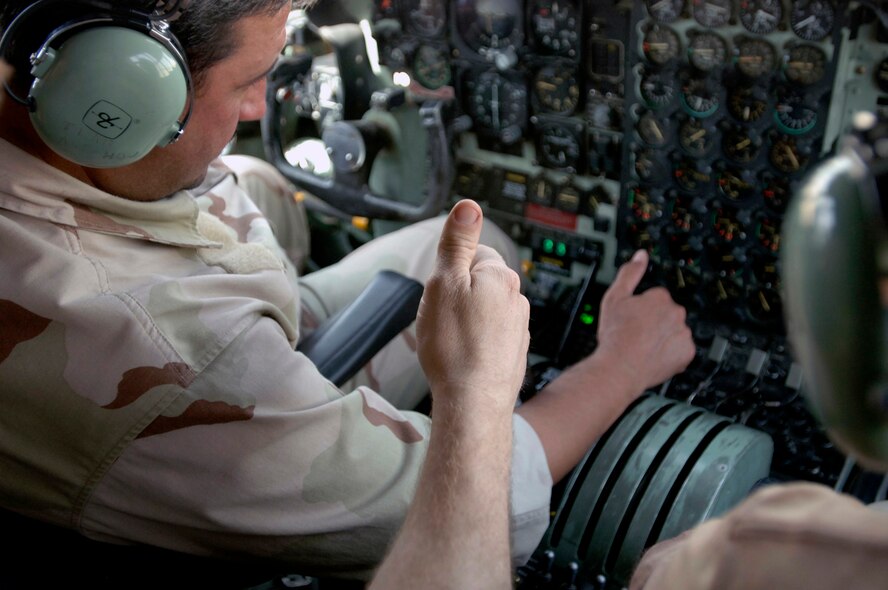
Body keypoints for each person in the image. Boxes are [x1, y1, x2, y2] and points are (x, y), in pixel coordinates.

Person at [0, 0, 694, 583]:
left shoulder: (39, 102)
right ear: (114, 99)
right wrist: (619, 364)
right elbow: (491, 512)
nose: (258, 105)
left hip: (237, 319)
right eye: (251, 80)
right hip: (203, 408)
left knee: (479, 254)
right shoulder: (161, 355)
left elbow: (235, 198)